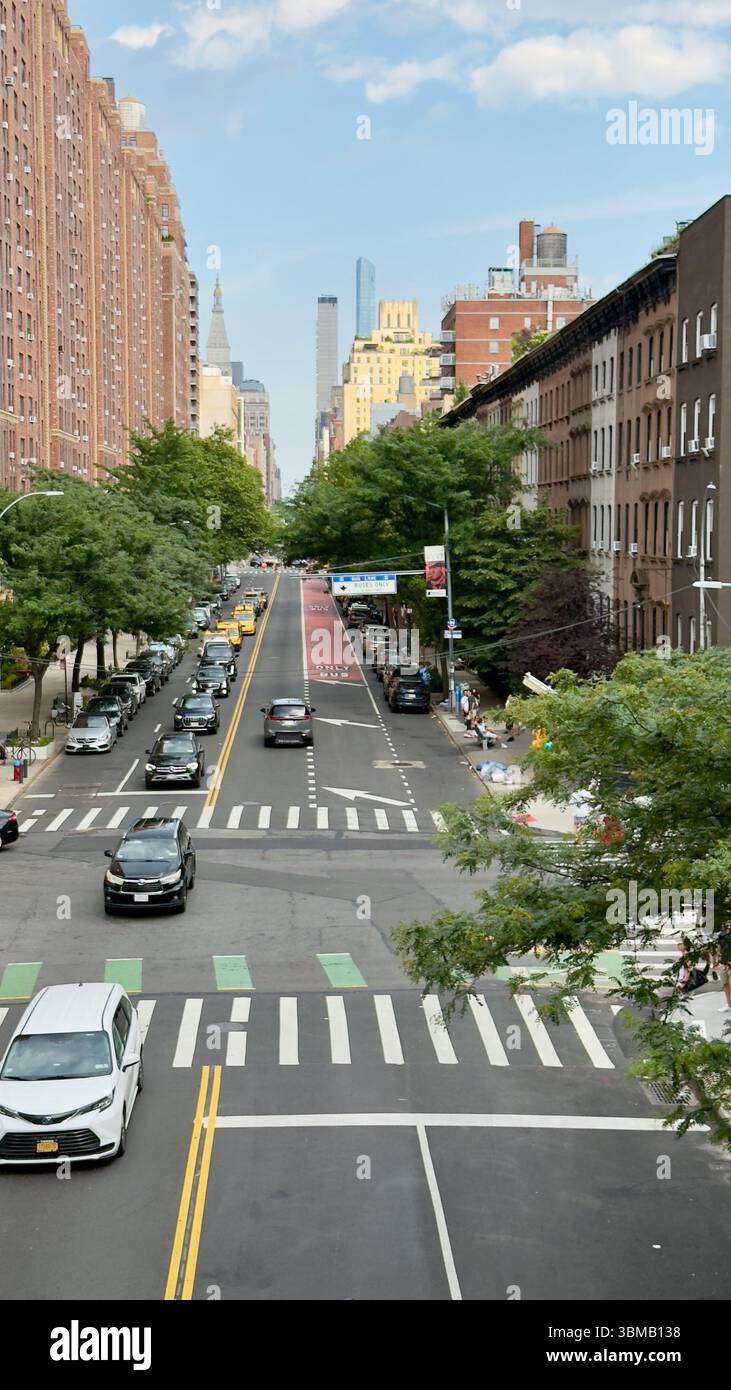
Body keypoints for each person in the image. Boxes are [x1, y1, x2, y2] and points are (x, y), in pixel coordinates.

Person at [713, 921, 731, 1013]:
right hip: (723, 963)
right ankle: (728, 1005)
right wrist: (716, 963)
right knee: (725, 984)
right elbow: (718, 949)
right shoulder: (721, 935)